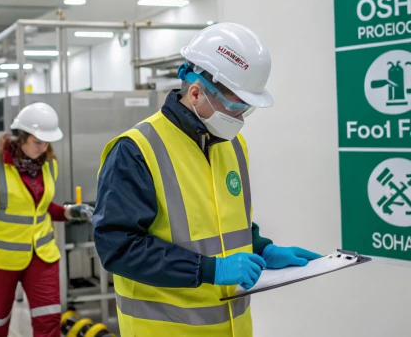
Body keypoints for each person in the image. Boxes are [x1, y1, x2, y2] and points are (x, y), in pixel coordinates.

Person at [94, 23, 321, 336]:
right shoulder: (136, 150)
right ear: (196, 91)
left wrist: (263, 249)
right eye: (235, 106)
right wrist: (210, 270)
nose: (240, 119)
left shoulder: (233, 146)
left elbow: (224, 227)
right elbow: (117, 247)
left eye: (247, 109)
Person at [0, 102, 94, 337]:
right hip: (1, 260)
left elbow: (41, 208)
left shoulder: (49, 165)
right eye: (37, 141)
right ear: (21, 137)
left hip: (42, 257)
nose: (43, 147)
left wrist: (68, 211)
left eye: (47, 142)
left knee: (49, 321)